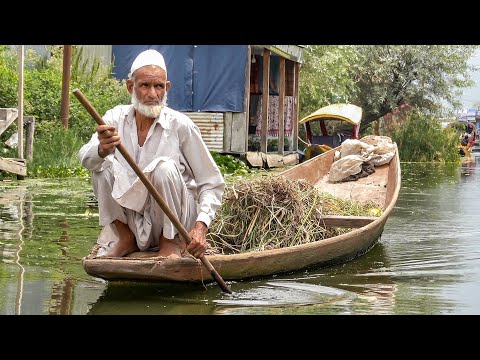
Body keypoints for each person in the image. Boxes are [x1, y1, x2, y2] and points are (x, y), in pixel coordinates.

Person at [78, 49, 225, 260]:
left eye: (158, 86)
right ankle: (125, 239)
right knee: (100, 167)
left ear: (167, 88)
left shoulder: (181, 126)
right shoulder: (114, 118)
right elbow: (85, 158)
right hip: (135, 223)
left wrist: (201, 227)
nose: (153, 94)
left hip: (178, 224)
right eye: (145, 86)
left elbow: (212, 182)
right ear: (131, 87)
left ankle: (170, 244)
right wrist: (102, 149)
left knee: (163, 167)